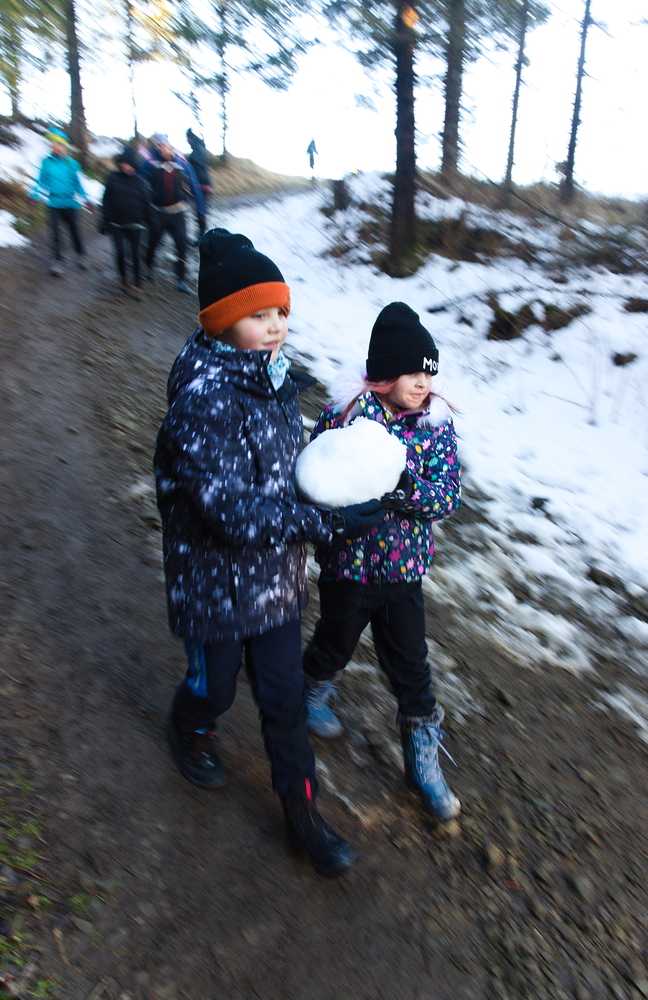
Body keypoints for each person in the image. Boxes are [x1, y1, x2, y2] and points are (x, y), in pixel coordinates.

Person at [154, 228, 383, 875]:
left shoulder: (274, 380)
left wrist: (346, 477)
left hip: (274, 580)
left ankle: (302, 814)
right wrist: (324, 522)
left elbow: (285, 472)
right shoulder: (202, 402)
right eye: (258, 315)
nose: (276, 325)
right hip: (214, 584)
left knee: (284, 699)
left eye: (281, 311)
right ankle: (190, 723)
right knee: (215, 685)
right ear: (222, 321)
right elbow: (227, 510)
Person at [303, 301, 463, 821]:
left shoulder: (435, 427)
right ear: (385, 374)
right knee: (335, 640)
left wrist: (405, 489)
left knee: (412, 665)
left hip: (403, 572)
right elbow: (316, 476)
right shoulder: (346, 417)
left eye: (429, 374)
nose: (423, 384)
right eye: (413, 373)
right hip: (348, 565)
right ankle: (312, 691)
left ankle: (421, 753)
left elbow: (447, 496)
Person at [141, 134, 201, 293]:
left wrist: (199, 207)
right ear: (158, 149)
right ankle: (148, 267)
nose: (165, 150)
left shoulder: (181, 164)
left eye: (168, 147)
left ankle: (181, 279)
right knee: (153, 243)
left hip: (178, 213)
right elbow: (141, 183)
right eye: (162, 147)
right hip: (158, 213)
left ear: (172, 149)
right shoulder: (151, 164)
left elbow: (192, 184)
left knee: (181, 246)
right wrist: (145, 206)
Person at [30, 128, 92, 276]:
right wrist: (34, 195)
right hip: (54, 203)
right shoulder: (47, 162)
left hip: (70, 204)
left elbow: (78, 184)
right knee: (55, 233)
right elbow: (41, 181)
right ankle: (57, 261)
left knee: (74, 232)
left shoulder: (72, 164)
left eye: (58, 143)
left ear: (64, 146)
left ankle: (81, 255)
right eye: (53, 143)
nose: (55, 146)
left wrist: (86, 199)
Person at [100, 146, 151, 300]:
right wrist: (105, 220)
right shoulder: (112, 178)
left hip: (135, 224)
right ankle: (123, 280)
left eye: (127, 163)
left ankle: (138, 286)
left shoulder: (141, 183)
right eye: (122, 162)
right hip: (116, 223)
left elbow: (146, 204)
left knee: (135, 255)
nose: (124, 165)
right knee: (120, 253)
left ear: (133, 165)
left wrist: (150, 222)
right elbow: (106, 200)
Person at [186, 128, 214, 243]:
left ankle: (202, 237)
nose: (187, 141)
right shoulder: (200, 147)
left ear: (190, 138)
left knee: (200, 211)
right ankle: (202, 236)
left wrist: (187, 160)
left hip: (201, 183)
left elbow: (196, 162)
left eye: (187, 139)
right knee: (200, 210)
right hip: (204, 181)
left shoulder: (197, 148)